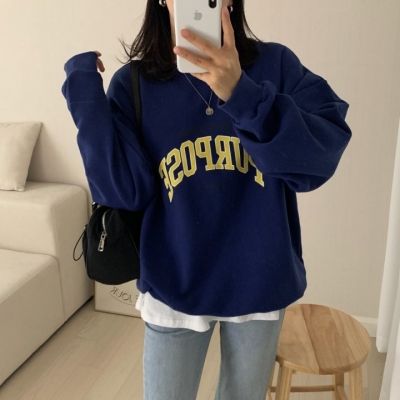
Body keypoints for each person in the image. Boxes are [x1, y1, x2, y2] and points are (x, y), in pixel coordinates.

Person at [61, 0, 352, 398]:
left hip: (259, 282)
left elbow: (319, 158)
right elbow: (123, 192)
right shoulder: (135, 83)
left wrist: (240, 94)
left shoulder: (276, 66)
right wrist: (84, 97)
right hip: (175, 282)